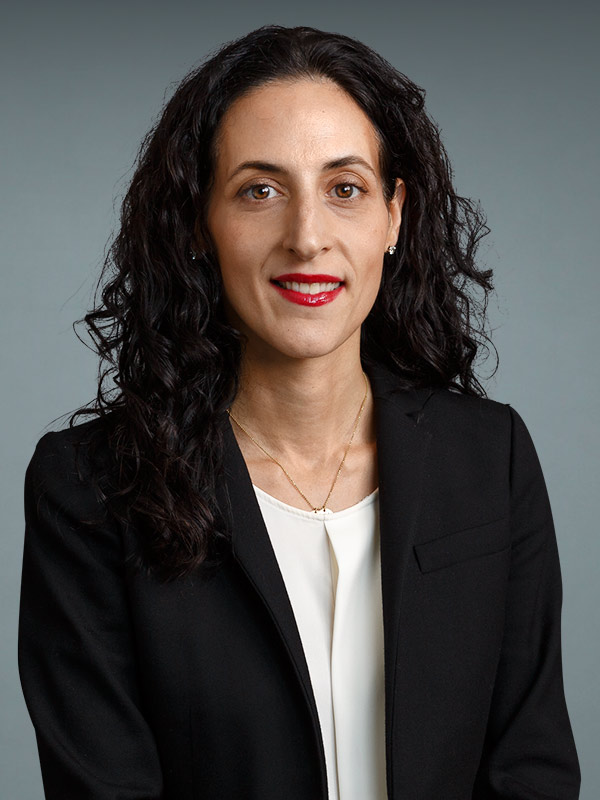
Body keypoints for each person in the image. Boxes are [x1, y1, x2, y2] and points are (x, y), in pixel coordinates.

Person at [18, 24, 580, 800]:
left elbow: (532, 770)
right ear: (199, 224)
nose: (307, 237)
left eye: (345, 189)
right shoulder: (89, 488)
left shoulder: (492, 459)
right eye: (261, 190)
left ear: (394, 215)